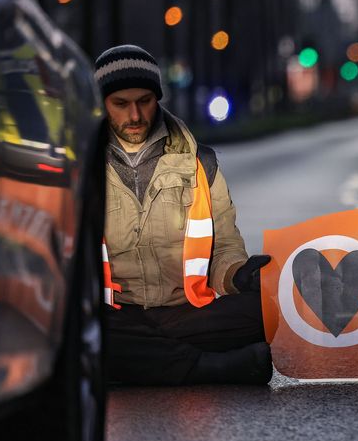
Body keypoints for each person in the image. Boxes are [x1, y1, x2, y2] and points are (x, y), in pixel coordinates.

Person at [97, 45, 273, 385]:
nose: (135, 115)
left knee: (266, 311)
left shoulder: (199, 164)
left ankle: (144, 361)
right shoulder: (76, 170)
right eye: (121, 103)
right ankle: (208, 367)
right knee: (72, 331)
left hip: (187, 314)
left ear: (158, 99)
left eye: (144, 101)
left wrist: (240, 276)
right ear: (101, 104)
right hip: (116, 316)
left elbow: (222, 248)